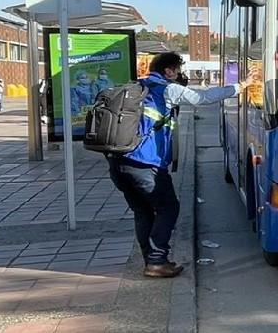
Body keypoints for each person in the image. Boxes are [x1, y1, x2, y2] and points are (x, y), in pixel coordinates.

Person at [107, 51, 258, 278]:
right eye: (177, 70)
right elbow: (203, 98)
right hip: (145, 164)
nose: (179, 75)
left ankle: (151, 259)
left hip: (118, 161)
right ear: (168, 70)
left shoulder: (137, 87)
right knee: (169, 208)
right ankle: (157, 261)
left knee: (143, 211)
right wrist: (242, 85)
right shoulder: (166, 88)